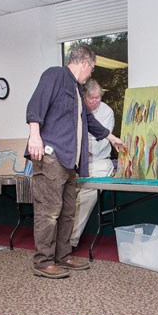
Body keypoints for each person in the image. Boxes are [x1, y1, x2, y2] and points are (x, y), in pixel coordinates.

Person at [26, 45, 124, 279]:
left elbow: (88, 120)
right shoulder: (55, 75)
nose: (90, 74)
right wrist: (34, 135)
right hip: (51, 156)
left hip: (69, 160)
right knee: (48, 212)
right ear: (85, 63)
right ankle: (43, 261)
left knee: (68, 211)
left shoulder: (76, 89)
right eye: (91, 69)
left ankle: (62, 256)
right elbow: (35, 105)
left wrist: (111, 137)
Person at [70, 79, 115, 249]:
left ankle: (70, 241)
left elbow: (100, 143)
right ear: (84, 96)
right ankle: (58, 239)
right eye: (92, 98)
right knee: (67, 195)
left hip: (99, 162)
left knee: (86, 195)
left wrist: (78, 148)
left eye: (98, 98)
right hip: (76, 162)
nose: (95, 102)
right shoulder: (76, 109)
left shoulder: (107, 112)